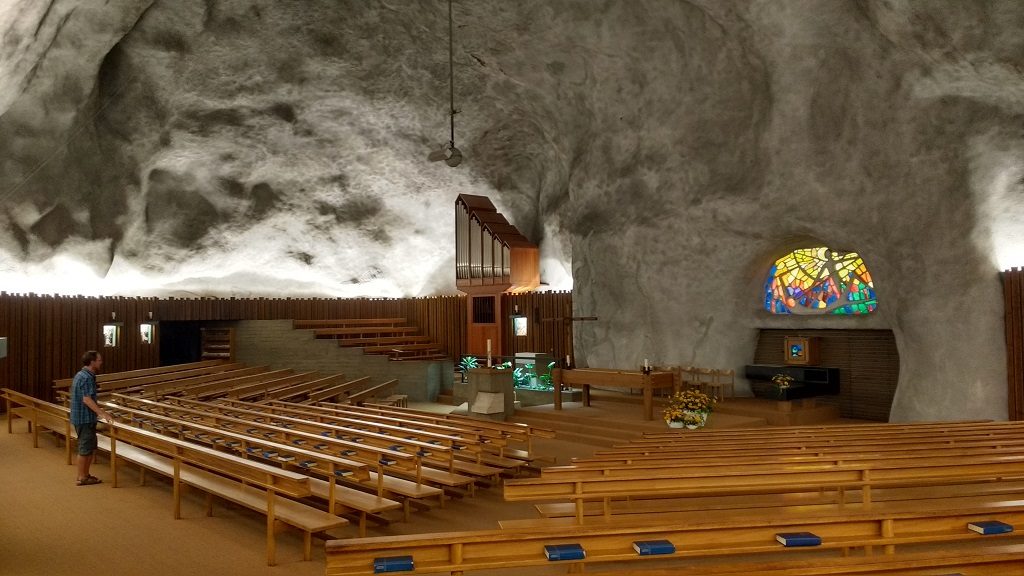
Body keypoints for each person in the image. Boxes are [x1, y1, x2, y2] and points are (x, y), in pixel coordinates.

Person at [71, 350, 114, 486]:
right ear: (92, 362)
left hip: (83, 417)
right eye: (99, 360)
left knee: (88, 447)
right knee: (85, 448)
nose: (101, 362)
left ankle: (85, 475)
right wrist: (103, 413)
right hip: (84, 418)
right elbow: (87, 399)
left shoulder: (81, 374)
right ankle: (82, 477)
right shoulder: (87, 377)